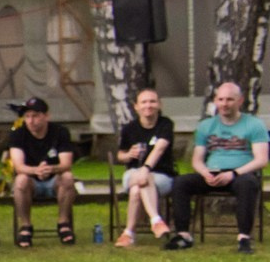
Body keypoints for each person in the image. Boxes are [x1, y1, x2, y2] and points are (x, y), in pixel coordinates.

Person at [165, 81, 269, 253]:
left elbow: (261, 159)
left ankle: (244, 238)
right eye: (220, 99)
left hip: (241, 174)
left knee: (248, 184)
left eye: (229, 99)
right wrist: (205, 172)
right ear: (215, 101)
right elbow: (197, 159)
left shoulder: (254, 125)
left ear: (240, 101)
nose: (224, 104)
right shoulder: (207, 126)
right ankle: (183, 235)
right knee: (181, 182)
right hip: (212, 173)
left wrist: (233, 173)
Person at [0, 97, 77, 247]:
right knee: (20, 180)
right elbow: (19, 166)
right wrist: (36, 170)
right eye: (27, 116)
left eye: (35, 116)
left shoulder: (60, 132)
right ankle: (26, 226)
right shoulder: (18, 135)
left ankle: (63, 223)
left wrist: (51, 169)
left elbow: (66, 163)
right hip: (31, 181)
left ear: (46, 116)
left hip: (55, 180)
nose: (30, 121)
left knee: (68, 177)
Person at [114, 87, 176, 247]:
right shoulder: (129, 128)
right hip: (132, 173)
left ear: (159, 104)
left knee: (137, 189)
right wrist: (129, 155)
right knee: (140, 179)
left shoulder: (165, 124)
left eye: (152, 101)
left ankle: (128, 233)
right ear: (136, 106)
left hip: (162, 176)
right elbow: (120, 155)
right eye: (144, 102)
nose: (148, 105)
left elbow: (160, 148)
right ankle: (156, 220)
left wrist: (145, 169)